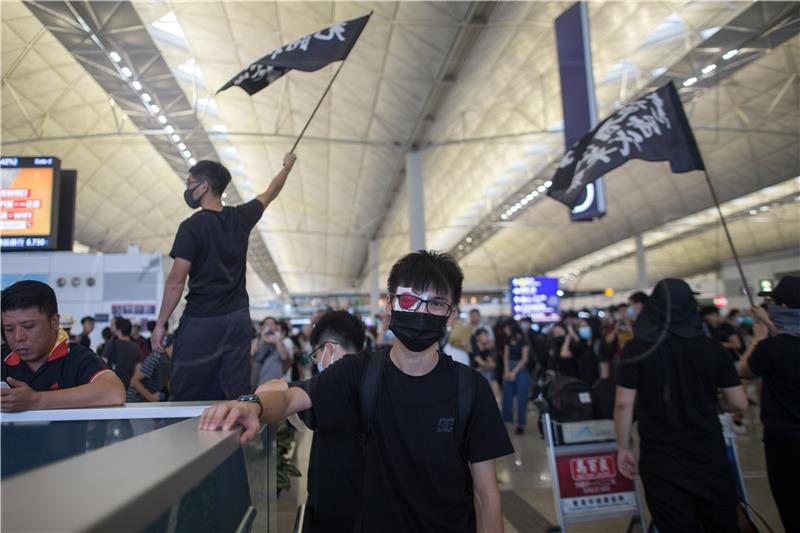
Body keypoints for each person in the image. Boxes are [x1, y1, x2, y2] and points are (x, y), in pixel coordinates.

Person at [200, 250, 513, 532]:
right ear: (389, 305)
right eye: (408, 300)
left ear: (452, 314)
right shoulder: (358, 372)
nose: (421, 311)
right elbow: (291, 396)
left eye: (436, 303)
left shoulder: (470, 388)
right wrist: (251, 404)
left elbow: (486, 495)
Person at [151, 153, 297, 400]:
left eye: (190, 183)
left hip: (202, 320)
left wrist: (160, 323)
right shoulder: (241, 217)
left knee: (188, 391)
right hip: (237, 320)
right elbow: (271, 191)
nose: (188, 189)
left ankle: (190, 437)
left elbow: (176, 282)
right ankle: (234, 437)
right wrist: (288, 166)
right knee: (234, 394)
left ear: (204, 186)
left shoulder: (191, 227)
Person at [614, 278, 747, 532]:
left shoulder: (637, 348)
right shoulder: (712, 348)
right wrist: (713, 403)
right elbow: (738, 401)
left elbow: (623, 404)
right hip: (709, 456)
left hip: (661, 459)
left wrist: (623, 447)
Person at [256, 311, 366, 533]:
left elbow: (265, 390)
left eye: (315, 355)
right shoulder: (376, 377)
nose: (316, 363)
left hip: (332, 514)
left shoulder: (330, 387)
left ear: (329, 349)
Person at [1, 280, 125, 412]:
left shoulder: (76, 358)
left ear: (54, 322)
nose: (18, 337)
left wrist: (37, 400)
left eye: (28, 326)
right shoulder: (3, 359)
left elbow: (113, 391)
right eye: (9, 329)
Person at [738, 276, 800, 532]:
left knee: (792, 507)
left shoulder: (771, 348)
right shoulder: (780, 345)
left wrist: (759, 336)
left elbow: (744, 370)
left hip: (785, 443)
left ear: (782, 307)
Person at [501, 319, 531, 435]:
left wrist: (514, 372)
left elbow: (525, 359)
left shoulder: (523, 339)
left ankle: (520, 425)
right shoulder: (507, 340)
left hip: (521, 369)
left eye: (506, 328)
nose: (505, 330)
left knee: (521, 398)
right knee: (506, 397)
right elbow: (505, 356)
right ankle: (506, 422)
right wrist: (507, 371)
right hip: (510, 368)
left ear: (512, 327)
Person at [127, 334, 174, 402]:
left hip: (149, 401)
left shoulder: (172, 361)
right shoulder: (157, 357)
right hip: (136, 401)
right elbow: (134, 381)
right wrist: (151, 397)